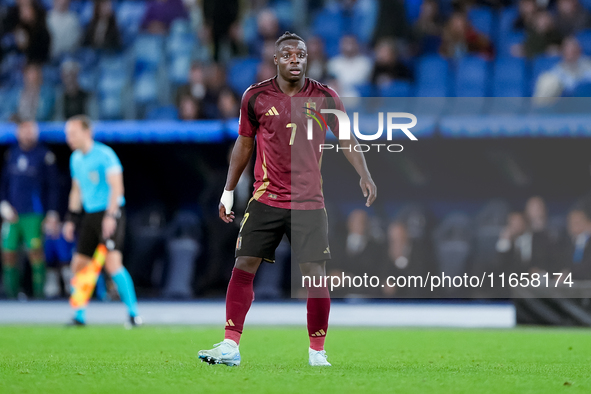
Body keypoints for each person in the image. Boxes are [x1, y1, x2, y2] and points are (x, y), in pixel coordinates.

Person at [198, 32, 377, 367]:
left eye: (301, 55)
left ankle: (317, 352)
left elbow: (347, 139)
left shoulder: (325, 97)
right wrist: (227, 189)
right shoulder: (255, 96)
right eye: (289, 55)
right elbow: (244, 144)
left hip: (309, 202)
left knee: (314, 275)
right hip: (266, 198)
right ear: (276, 60)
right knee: (243, 265)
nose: (295, 59)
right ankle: (230, 345)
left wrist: (364, 174)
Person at [62, 115, 141, 326]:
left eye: (73, 133)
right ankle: (79, 315)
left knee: (113, 264)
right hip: (90, 215)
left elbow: (117, 188)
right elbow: (76, 191)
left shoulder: (105, 155)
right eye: (67, 134)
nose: (69, 138)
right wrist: (71, 218)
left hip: (111, 212)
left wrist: (110, 216)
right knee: (78, 264)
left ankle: (134, 314)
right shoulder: (76, 159)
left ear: (87, 132)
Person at [0, 120, 59, 299]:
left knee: (35, 253)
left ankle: (38, 295)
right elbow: (4, 183)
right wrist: (3, 204)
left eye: (31, 131)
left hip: (33, 213)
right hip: (12, 214)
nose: (27, 134)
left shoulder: (44, 155)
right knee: (8, 252)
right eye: (24, 131)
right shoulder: (12, 153)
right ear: (18, 133)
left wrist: (51, 212)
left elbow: (53, 186)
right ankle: (11, 295)